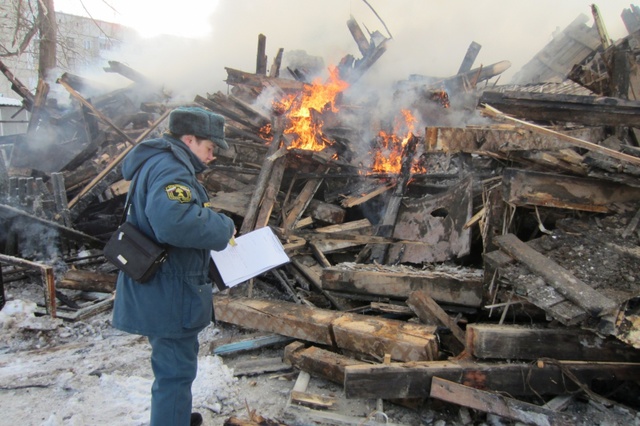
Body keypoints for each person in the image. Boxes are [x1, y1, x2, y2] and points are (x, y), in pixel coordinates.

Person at [112, 106, 236, 426]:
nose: (212, 157)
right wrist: (223, 227)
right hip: (170, 292)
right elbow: (173, 222)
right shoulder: (172, 168)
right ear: (190, 139)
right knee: (175, 375)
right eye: (210, 148)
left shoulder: (159, 162)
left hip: (164, 287)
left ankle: (175, 417)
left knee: (172, 372)